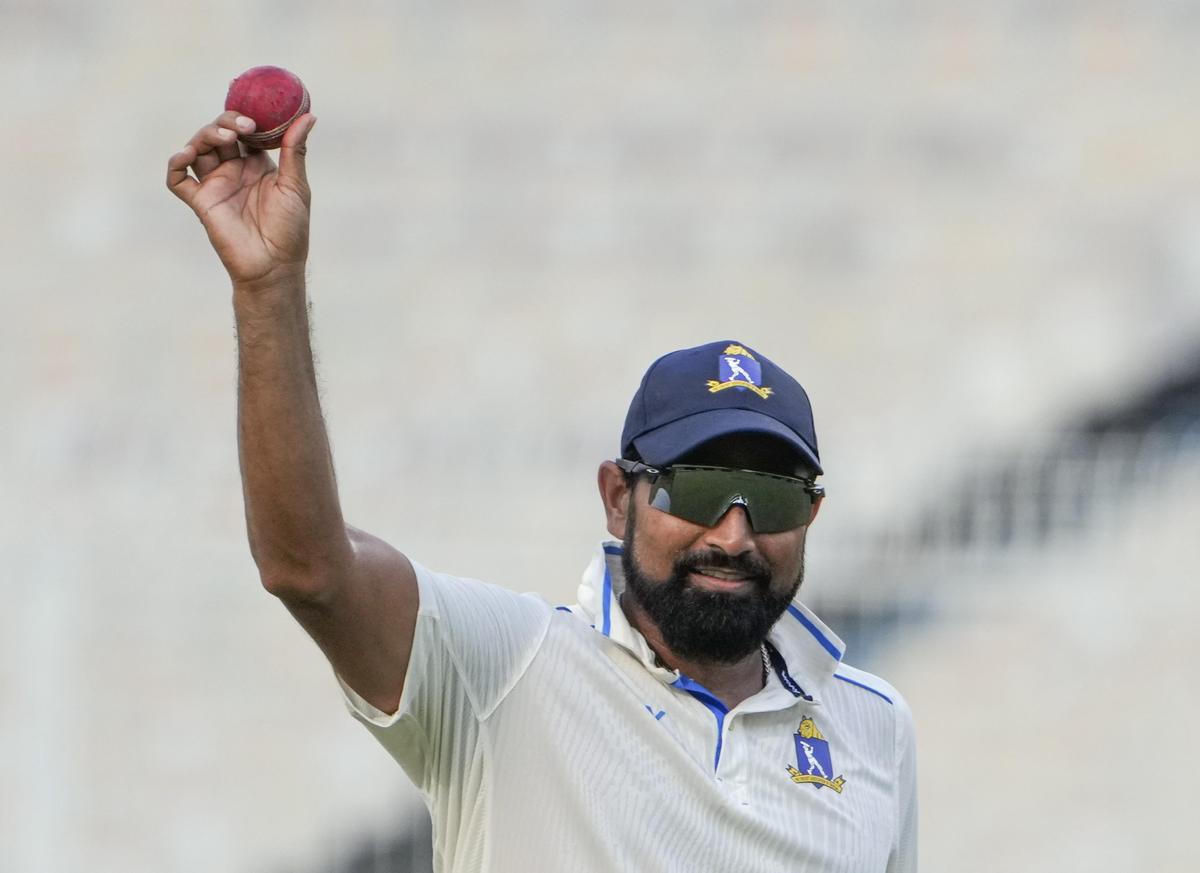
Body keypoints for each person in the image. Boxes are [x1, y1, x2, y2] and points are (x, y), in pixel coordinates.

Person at [167, 111, 917, 873]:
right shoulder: (507, 668)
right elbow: (309, 568)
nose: (732, 535)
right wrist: (268, 289)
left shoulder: (874, 727)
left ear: (813, 513)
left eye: (773, 497)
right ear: (617, 496)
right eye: (698, 487)